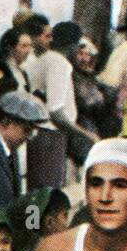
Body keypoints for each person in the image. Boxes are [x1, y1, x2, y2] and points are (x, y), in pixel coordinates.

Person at [20, 13, 77, 187]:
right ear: (73, 44)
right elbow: (55, 109)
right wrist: (81, 133)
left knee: (37, 192)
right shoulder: (58, 62)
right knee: (47, 192)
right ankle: (35, 215)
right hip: (52, 133)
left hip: (41, 132)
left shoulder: (42, 60)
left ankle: (33, 215)